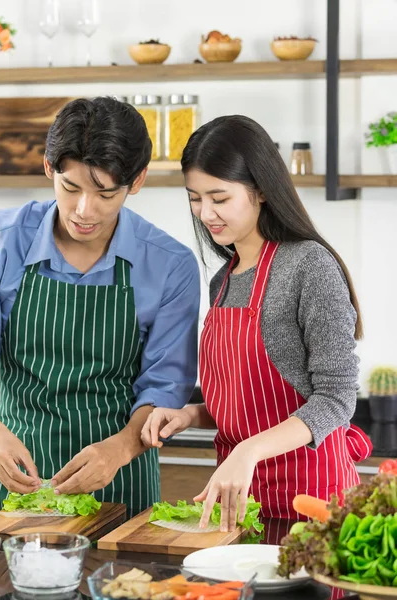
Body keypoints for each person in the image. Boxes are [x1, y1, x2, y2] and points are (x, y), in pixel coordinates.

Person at [0, 96, 200, 517]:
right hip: (16, 478)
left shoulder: (170, 265)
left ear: (137, 181)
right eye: (70, 187)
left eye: (105, 193)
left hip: (121, 482)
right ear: (48, 168)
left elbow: (165, 387)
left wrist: (120, 448)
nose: (84, 210)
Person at [141, 114, 372, 531]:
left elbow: (336, 400)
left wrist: (247, 451)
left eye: (219, 197)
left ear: (261, 190)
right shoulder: (222, 281)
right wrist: (192, 414)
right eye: (195, 198)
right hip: (241, 505)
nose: (205, 213)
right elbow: (244, 403)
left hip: (311, 504)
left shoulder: (309, 266)